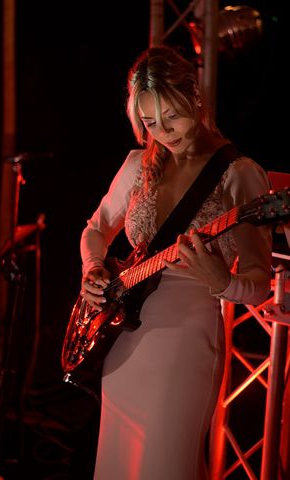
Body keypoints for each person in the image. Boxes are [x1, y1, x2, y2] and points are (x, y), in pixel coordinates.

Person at [79, 46, 272, 479]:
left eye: (173, 116)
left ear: (196, 99)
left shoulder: (238, 174)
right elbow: (95, 228)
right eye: (149, 122)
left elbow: (261, 281)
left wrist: (224, 282)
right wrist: (93, 267)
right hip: (123, 337)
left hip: (186, 341)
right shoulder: (137, 166)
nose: (164, 131)